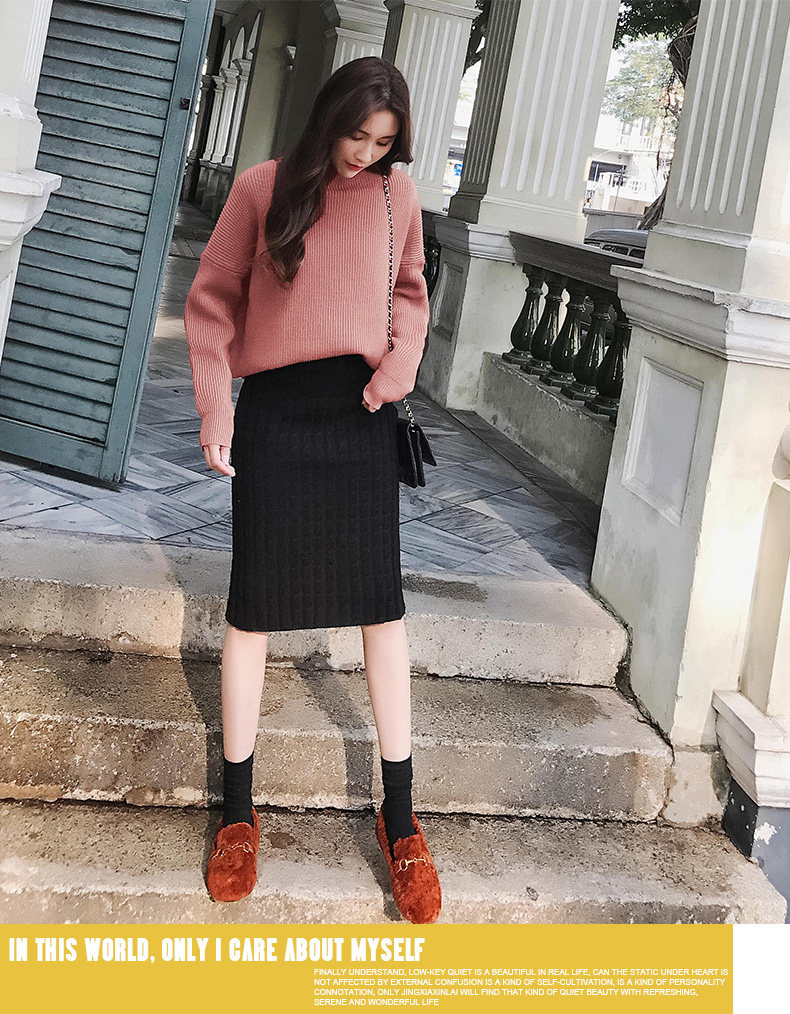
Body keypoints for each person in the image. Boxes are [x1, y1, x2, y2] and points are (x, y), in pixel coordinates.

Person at [183, 56, 440, 924]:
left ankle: (400, 819)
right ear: (328, 117)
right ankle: (238, 813)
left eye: (384, 142)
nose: (366, 154)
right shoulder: (262, 187)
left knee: (380, 608)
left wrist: (397, 372)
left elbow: (410, 295)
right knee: (253, 608)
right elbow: (212, 301)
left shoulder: (395, 195)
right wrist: (215, 408)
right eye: (356, 135)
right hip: (277, 414)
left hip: (359, 414)